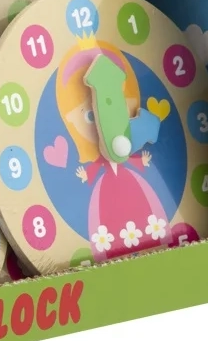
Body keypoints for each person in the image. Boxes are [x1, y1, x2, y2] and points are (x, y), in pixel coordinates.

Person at [55, 39, 172, 262]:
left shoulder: (124, 145)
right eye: (89, 115)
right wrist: (85, 175)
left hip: (128, 183)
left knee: (141, 212)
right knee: (109, 220)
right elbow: (95, 167)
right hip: (108, 189)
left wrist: (141, 161)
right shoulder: (107, 152)